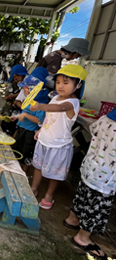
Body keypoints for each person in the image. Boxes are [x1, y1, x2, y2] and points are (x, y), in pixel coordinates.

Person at [30, 64, 88, 210]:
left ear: (78, 84)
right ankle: (33, 189)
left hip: (58, 146)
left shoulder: (72, 103)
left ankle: (49, 196)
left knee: (54, 174)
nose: (60, 86)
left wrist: (40, 106)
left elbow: (58, 109)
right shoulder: (56, 97)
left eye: (66, 82)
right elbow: (50, 117)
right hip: (44, 140)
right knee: (38, 167)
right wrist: (42, 129)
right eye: (58, 82)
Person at [63, 107, 116, 260]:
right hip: (106, 178)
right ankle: (83, 237)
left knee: (82, 196)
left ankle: (72, 219)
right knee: (96, 208)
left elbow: (91, 128)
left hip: (90, 168)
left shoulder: (105, 119)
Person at [11, 67, 49, 173]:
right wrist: (16, 117)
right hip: (22, 129)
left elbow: (39, 121)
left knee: (27, 154)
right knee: (17, 149)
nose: (24, 90)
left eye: (26, 88)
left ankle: (23, 172)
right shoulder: (28, 100)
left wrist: (25, 115)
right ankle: (14, 168)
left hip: (30, 134)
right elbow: (24, 113)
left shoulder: (40, 104)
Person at [0, 65, 28, 136]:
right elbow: (6, 97)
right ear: (15, 76)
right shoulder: (11, 85)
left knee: (12, 129)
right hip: (9, 110)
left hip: (15, 111)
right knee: (6, 128)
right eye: (22, 76)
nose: (24, 77)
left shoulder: (22, 84)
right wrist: (19, 94)